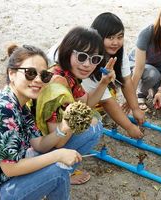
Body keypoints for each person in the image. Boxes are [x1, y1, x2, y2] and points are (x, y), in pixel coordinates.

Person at [0, 44, 81, 199]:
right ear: (11, 74)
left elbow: (39, 144)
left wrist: (63, 127)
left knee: (61, 163)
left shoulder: (19, 104)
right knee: (58, 170)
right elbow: (10, 169)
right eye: (30, 73)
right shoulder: (2, 109)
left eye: (44, 75)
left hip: (0, 180)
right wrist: (58, 155)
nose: (38, 80)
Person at [37, 26, 116, 185]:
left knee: (92, 117)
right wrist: (77, 117)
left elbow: (87, 103)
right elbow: (58, 141)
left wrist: (103, 82)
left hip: (44, 135)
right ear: (67, 51)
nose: (87, 64)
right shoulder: (58, 87)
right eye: (82, 57)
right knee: (94, 126)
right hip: (36, 144)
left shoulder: (68, 75)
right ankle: (59, 171)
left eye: (94, 59)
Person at [82, 12, 145, 139]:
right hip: (72, 92)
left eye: (120, 37)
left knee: (109, 91)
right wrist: (129, 127)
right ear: (98, 36)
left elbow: (126, 80)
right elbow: (107, 101)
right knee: (92, 113)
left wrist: (135, 108)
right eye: (110, 37)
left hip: (94, 90)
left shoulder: (119, 53)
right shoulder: (88, 60)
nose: (116, 42)